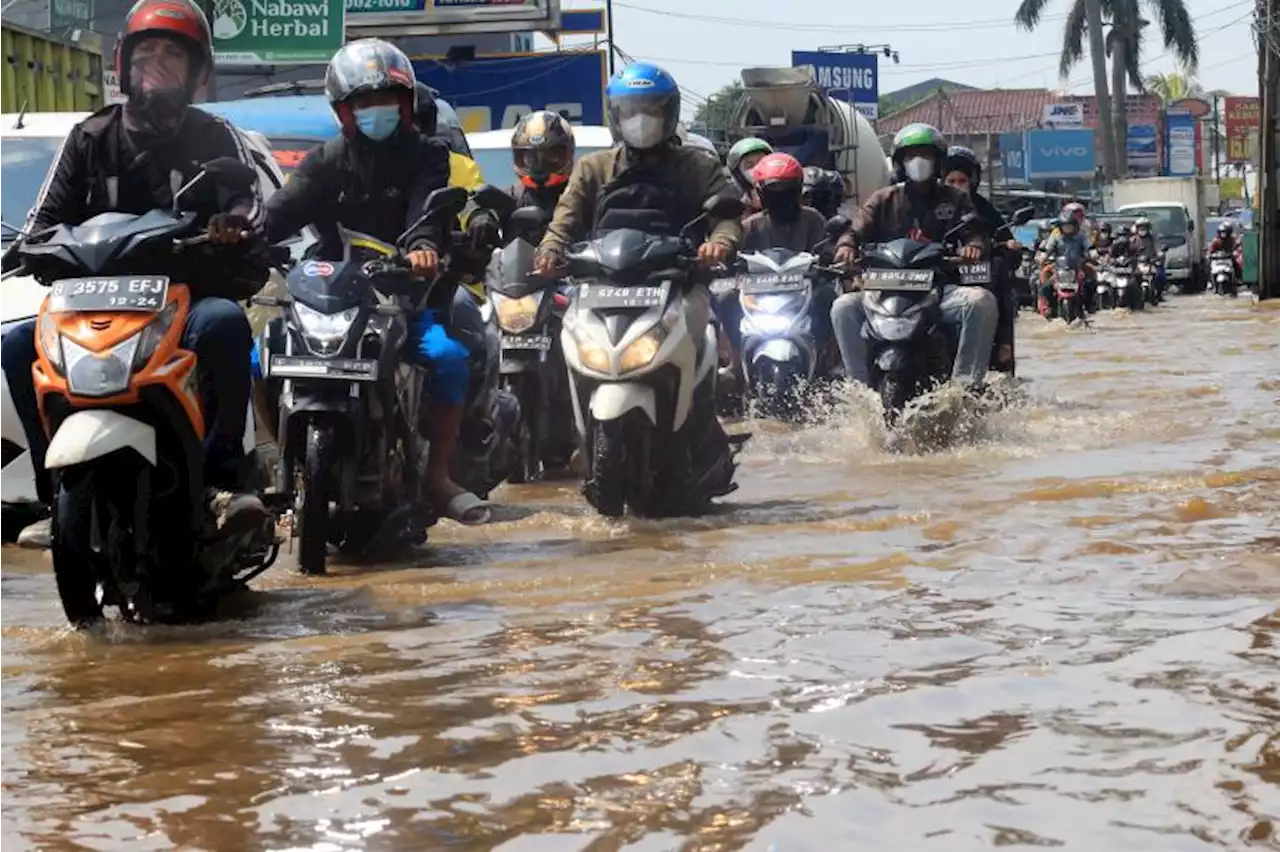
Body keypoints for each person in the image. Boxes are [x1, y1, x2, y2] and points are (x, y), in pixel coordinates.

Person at [0, 0, 269, 550]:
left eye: (174, 53)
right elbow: (43, 220)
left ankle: (220, 482)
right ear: (124, 64)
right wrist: (31, 248)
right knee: (16, 344)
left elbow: (249, 205)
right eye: (148, 51)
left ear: (197, 72)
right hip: (91, 305)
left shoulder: (215, 137)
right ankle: (54, 495)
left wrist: (231, 228)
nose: (158, 63)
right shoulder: (89, 137)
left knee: (225, 326)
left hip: (184, 301)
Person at [262, 38, 491, 525]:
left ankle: (437, 477)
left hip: (401, 297)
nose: (376, 112)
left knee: (449, 359)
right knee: (258, 354)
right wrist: (244, 237)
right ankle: (278, 473)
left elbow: (426, 210)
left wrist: (422, 249)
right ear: (344, 111)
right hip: (330, 297)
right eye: (364, 103)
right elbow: (281, 212)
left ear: (406, 105)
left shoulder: (428, 155)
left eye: (386, 101)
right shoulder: (326, 160)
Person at [829, 123, 995, 390]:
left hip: (937, 290)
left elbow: (974, 230)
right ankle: (858, 390)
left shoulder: (954, 199)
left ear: (938, 161)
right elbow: (855, 229)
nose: (918, 162)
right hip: (882, 291)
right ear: (899, 163)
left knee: (981, 302)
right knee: (843, 307)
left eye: (926, 155)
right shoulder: (882, 199)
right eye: (910, 156)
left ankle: (966, 387)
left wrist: (973, 246)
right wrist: (847, 246)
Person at [940, 145, 1016, 368]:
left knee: (999, 269)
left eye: (961, 181)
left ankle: (1003, 344)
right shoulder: (931, 205)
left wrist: (1010, 246)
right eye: (951, 181)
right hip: (937, 275)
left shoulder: (985, 208)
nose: (956, 187)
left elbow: (1004, 237)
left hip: (978, 274)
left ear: (972, 181)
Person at [1037, 211, 1093, 317]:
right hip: (1059, 268)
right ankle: (1048, 307)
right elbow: (1048, 249)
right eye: (1065, 226)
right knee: (1045, 286)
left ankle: (1089, 306)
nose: (1067, 228)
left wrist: (1093, 253)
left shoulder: (1081, 235)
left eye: (1069, 226)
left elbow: (1089, 246)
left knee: (1091, 283)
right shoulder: (1055, 235)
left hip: (1078, 267)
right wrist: (1043, 257)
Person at [725, 137, 773, 211]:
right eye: (750, 166)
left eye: (762, 162)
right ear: (739, 174)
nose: (757, 168)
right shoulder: (734, 208)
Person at [1131, 216, 1166, 293]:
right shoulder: (1133, 239)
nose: (1142, 230)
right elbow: (1128, 250)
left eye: (1144, 228)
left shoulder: (1153, 239)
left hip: (1151, 262)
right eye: (1140, 228)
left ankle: (1159, 293)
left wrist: (1159, 254)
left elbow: (1158, 248)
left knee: (1160, 276)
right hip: (1137, 264)